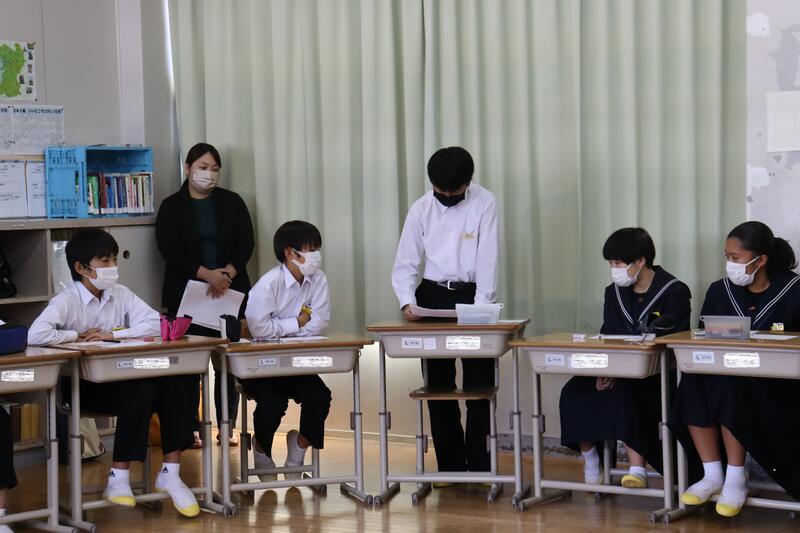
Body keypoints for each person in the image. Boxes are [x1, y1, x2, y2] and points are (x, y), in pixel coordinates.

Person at [27, 229, 200, 517]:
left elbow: (156, 323)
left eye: (115, 260)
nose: (112, 267)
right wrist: (75, 335)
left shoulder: (120, 294)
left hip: (121, 378)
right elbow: (36, 334)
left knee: (180, 380)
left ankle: (171, 472)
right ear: (81, 268)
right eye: (105, 261)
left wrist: (115, 334)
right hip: (83, 387)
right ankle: (118, 477)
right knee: (142, 391)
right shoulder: (67, 300)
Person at [671, 221, 800, 517]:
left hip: (779, 386)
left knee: (729, 384)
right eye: (726, 257)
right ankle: (712, 474)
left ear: (760, 260)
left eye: (735, 258)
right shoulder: (720, 290)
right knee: (694, 381)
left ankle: (735, 476)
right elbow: (704, 333)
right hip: (729, 374)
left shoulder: (794, 290)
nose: (729, 264)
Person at [391, 146, 498, 477]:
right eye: (442, 192)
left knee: (479, 385)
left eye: (455, 192)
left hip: (472, 295)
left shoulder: (485, 202)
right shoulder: (421, 208)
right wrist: (407, 301)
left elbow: (488, 258)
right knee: (438, 385)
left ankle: (481, 469)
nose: (448, 198)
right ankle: (449, 467)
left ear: (469, 182)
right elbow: (406, 261)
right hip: (432, 295)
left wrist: (482, 309)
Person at [559, 228, 693, 489]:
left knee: (627, 393)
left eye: (618, 263)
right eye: (611, 263)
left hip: (655, 375)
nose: (614, 269)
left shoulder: (673, 291)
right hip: (616, 368)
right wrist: (604, 370)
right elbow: (608, 335)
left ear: (640, 261)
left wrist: (621, 370)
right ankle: (592, 460)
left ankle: (636, 469)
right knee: (573, 391)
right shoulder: (614, 293)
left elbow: (674, 339)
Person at [156, 143, 255, 447]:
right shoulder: (172, 206)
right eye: (202, 167)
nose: (208, 174)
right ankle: (191, 427)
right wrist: (206, 274)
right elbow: (168, 249)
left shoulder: (232, 202)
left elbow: (246, 242)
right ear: (188, 168)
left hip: (230, 289)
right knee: (190, 364)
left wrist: (228, 273)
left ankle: (227, 426)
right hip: (188, 293)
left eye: (214, 169)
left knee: (227, 362)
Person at [242, 221, 331, 480]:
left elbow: (319, 324)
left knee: (320, 397)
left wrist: (281, 329)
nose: (316, 256)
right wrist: (297, 323)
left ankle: (298, 449)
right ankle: (261, 449)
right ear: (290, 253)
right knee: (272, 402)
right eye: (310, 250)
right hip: (262, 365)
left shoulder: (319, 280)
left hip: (295, 362)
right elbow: (258, 329)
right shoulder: (268, 284)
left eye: (317, 249)